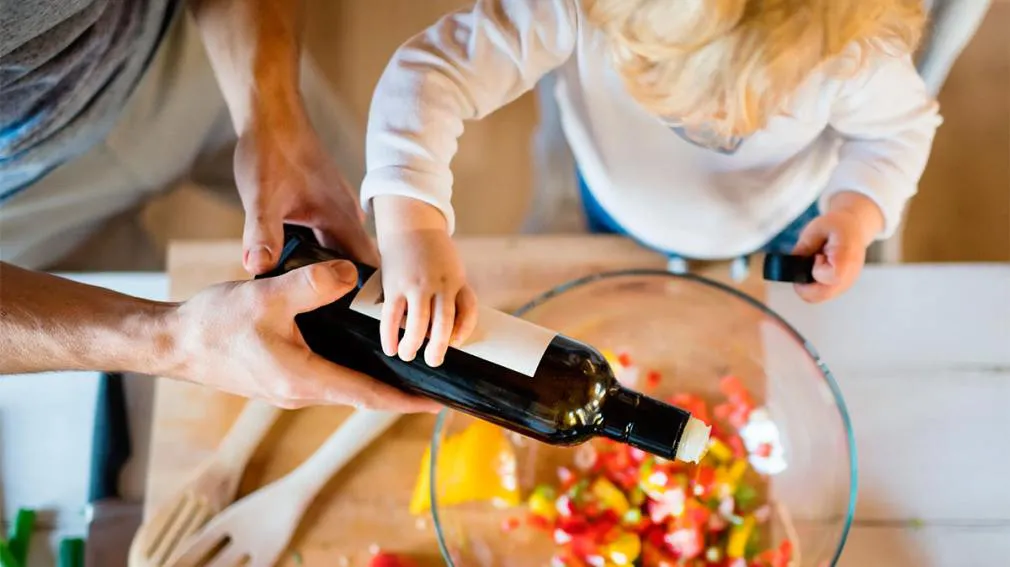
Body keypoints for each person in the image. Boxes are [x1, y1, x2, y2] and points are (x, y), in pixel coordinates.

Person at [360, 0, 942, 367]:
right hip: (618, 206)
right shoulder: (582, 7)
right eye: (685, 106)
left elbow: (897, 132)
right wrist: (412, 228)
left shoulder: (850, 47)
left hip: (785, 221)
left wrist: (856, 212)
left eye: (770, 103)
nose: (719, 127)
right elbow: (431, 76)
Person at [0, 0, 432, 412]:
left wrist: (271, 108)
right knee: (133, 395)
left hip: (191, 49)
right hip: (21, 214)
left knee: (378, 233)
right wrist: (171, 341)